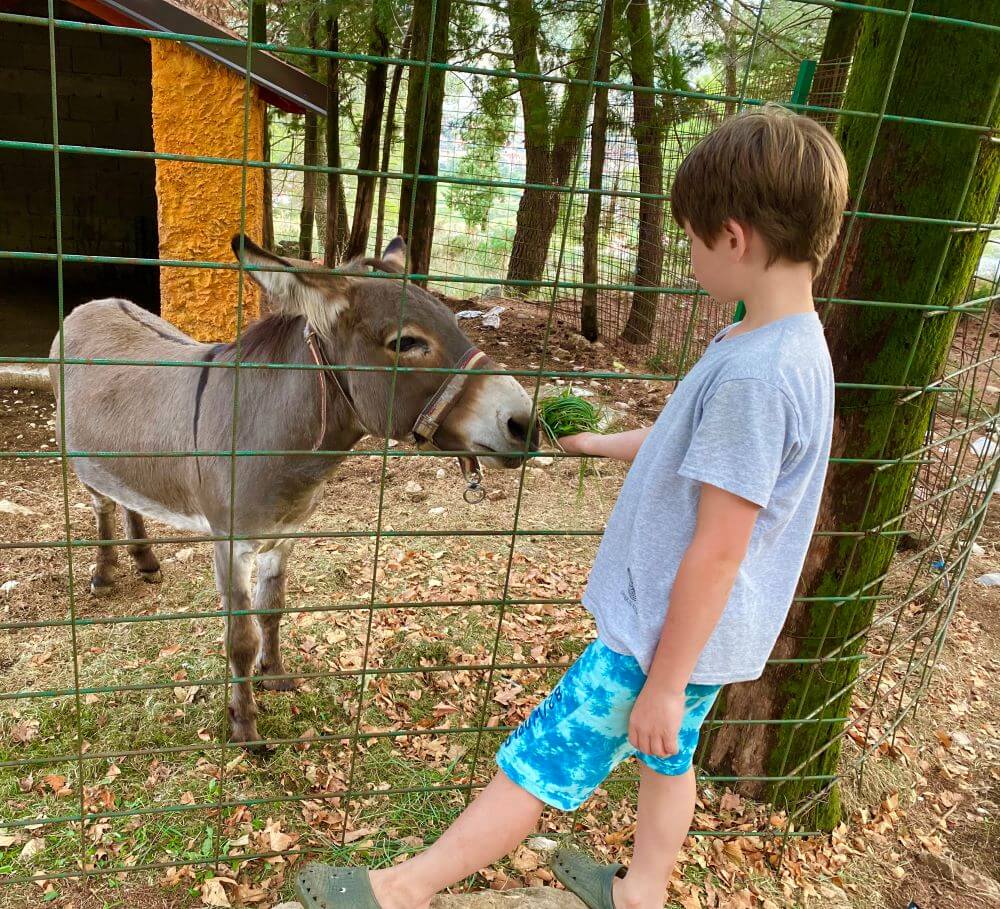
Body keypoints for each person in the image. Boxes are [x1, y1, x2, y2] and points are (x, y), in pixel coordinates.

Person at [295, 104, 849, 909]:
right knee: (669, 758)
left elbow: (720, 547)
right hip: (703, 638)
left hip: (658, 640)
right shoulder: (781, 345)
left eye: (692, 241)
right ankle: (641, 892)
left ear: (734, 238)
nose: (689, 259)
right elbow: (687, 444)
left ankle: (401, 889)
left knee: (537, 761)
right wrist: (595, 444)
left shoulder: (757, 378)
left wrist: (664, 681)